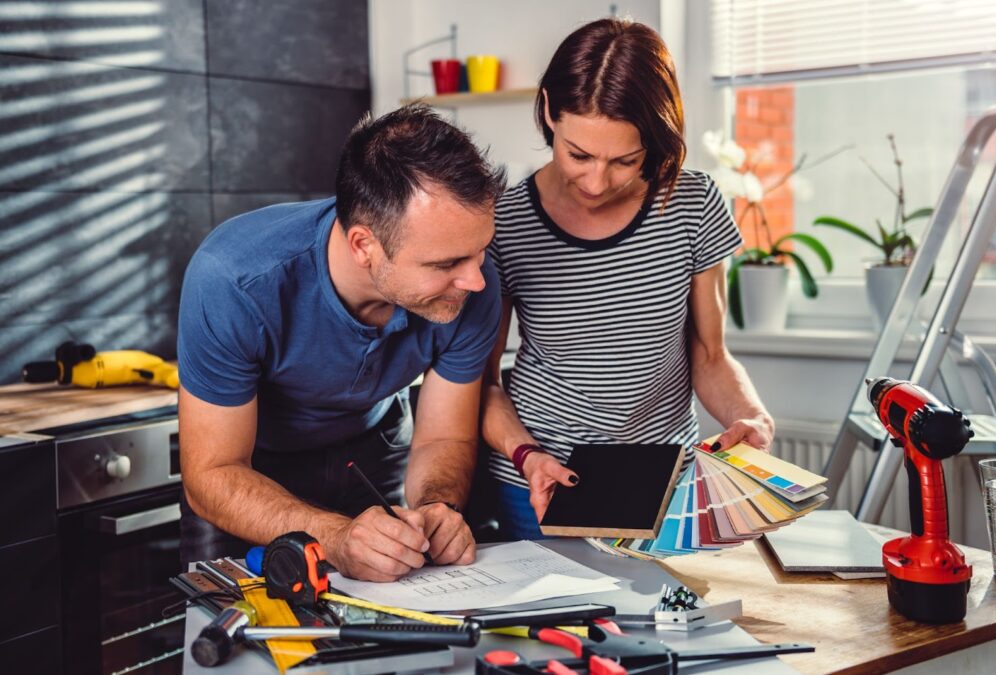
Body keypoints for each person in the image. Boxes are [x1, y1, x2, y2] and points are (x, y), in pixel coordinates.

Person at [177, 105, 505, 581]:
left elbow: (443, 437)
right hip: (251, 473)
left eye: (480, 252)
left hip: (373, 452)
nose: (475, 281)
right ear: (363, 245)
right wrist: (333, 537)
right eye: (445, 264)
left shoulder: (474, 285)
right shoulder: (233, 280)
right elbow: (212, 473)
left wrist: (438, 509)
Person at [481, 19, 775, 540]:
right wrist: (526, 456)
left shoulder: (692, 202)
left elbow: (710, 356)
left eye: (625, 161)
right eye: (578, 154)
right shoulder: (504, 220)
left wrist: (751, 417)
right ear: (550, 110)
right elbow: (484, 383)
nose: (596, 182)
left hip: (664, 482)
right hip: (539, 481)